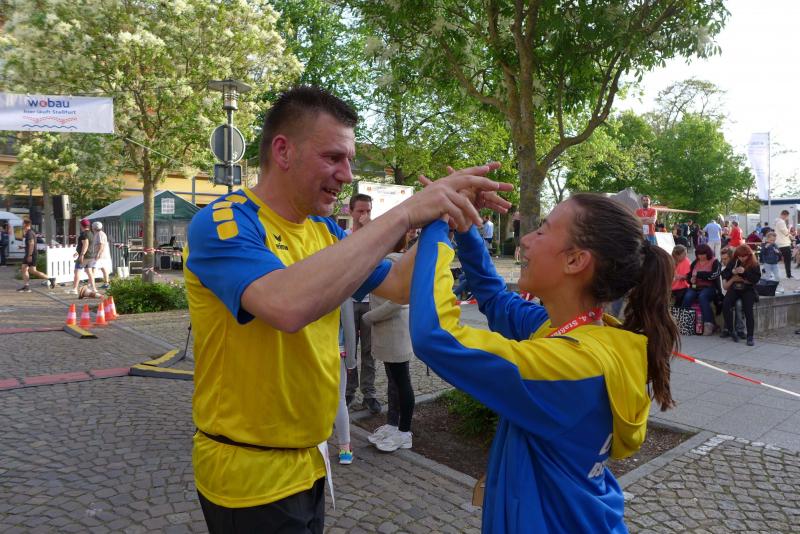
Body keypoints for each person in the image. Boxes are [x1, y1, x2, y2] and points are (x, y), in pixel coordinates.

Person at [183, 85, 511, 532]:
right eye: (333, 157)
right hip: (249, 474)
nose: (347, 174)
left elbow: (399, 284)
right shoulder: (224, 221)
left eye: (350, 160)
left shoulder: (323, 229)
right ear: (283, 151)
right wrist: (405, 213)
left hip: (308, 463)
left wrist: (442, 217)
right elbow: (286, 305)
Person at [409, 192, 677, 533]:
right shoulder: (581, 336)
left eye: (542, 231)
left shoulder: (573, 366)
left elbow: (435, 337)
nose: (525, 240)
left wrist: (436, 223)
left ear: (575, 260)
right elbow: (496, 300)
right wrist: (464, 227)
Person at [364, 234, 415, 452]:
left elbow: (399, 301)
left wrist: (370, 317)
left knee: (402, 382)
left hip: (395, 330)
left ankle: (404, 432)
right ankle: (393, 425)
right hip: (388, 331)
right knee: (393, 381)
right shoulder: (389, 260)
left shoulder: (394, 262)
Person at [344, 193, 380, 414]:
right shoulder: (344, 236)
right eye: (360, 211)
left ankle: (369, 393)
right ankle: (349, 391)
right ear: (350, 211)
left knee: (369, 350)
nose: (365, 215)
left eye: (368, 211)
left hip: (369, 300)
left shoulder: (375, 236)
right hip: (348, 299)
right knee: (349, 349)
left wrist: (372, 232)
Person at [721, 245, 761, 345]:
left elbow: (755, 279)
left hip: (747, 289)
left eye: (744, 256)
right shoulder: (734, 261)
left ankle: (750, 336)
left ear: (749, 255)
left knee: (748, 310)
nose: (742, 258)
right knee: (726, 304)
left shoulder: (754, 263)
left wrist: (745, 272)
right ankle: (731, 330)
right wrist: (732, 272)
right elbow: (725, 273)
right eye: (739, 256)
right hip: (735, 288)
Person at [681, 243, 721, 336]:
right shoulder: (695, 262)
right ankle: (684, 322)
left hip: (710, 287)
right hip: (695, 287)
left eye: (703, 254)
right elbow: (689, 275)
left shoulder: (715, 261)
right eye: (699, 254)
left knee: (702, 297)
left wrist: (699, 274)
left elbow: (714, 275)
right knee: (687, 296)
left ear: (708, 253)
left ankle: (709, 324)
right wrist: (690, 279)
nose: (701, 256)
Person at [335, 299, 357, 465]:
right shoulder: (342, 291)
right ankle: (344, 448)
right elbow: (349, 327)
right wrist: (351, 361)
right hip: (336, 350)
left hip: (315, 351)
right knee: (339, 399)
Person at [16, 219, 54, 292]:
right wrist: (23, 247)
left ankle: (50, 279)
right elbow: (30, 244)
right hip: (30, 254)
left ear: (26, 225)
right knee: (25, 268)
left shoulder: (29, 233)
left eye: (23, 224)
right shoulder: (29, 232)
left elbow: (32, 244)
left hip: (31, 254)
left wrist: (30, 255)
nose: (22, 225)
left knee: (31, 270)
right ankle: (26, 286)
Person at [719, 247, 746, 338]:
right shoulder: (725, 271)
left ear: (732, 258)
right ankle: (727, 328)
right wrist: (733, 279)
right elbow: (725, 286)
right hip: (730, 293)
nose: (723, 261)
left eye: (726, 259)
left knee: (739, 304)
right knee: (726, 303)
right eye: (722, 259)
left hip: (742, 292)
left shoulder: (738, 266)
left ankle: (740, 330)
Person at [71, 218, 96, 295]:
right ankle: (94, 288)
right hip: (91, 256)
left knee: (77, 271)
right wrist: (78, 252)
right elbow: (86, 245)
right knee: (89, 272)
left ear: (81, 225)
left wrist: (81, 254)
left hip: (84, 256)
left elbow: (85, 244)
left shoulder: (84, 234)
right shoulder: (91, 233)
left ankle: (74, 289)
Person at [91, 221, 112, 288]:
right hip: (101, 255)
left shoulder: (100, 234)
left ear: (94, 227)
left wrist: (98, 254)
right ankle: (106, 283)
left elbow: (101, 245)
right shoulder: (98, 234)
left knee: (93, 268)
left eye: (92, 226)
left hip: (100, 255)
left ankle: (91, 284)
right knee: (103, 268)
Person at [775, 209, 793, 279]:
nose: (787, 218)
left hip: (779, 243)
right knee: (787, 260)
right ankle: (789, 275)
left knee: (777, 259)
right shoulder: (781, 222)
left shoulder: (777, 221)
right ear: (785, 215)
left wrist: (791, 236)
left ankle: (765, 270)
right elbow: (786, 233)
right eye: (787, 216)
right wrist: (790, 227)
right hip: (784, 243)